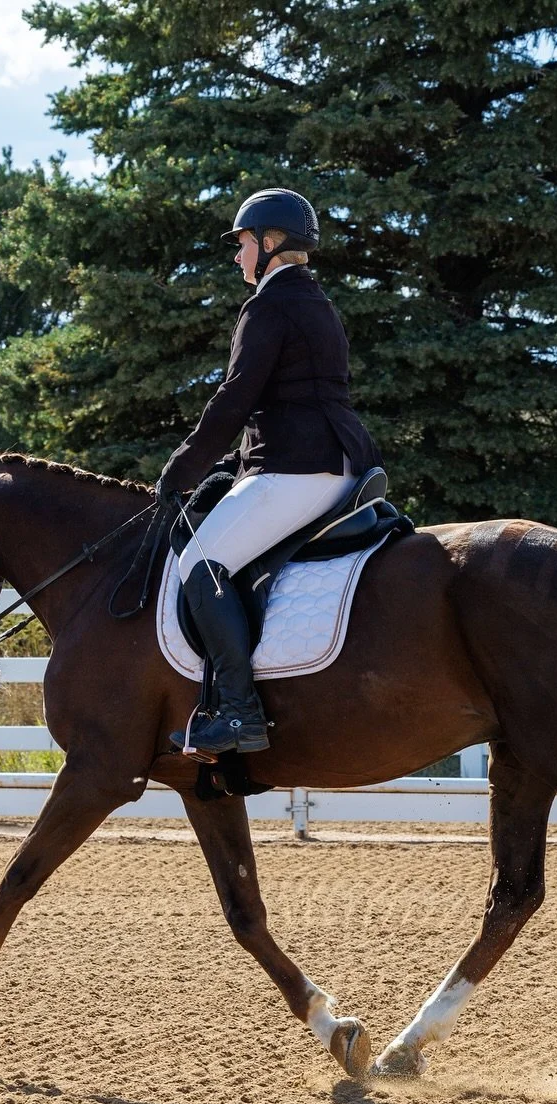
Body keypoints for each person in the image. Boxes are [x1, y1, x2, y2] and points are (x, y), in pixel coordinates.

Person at [155, 187, 383, 756]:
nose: (237, 256)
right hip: (331, 461)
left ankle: (237, 710)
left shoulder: (269, 303)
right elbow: (291, 401)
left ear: (270, 241)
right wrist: (234, 464)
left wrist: (182, 468)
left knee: (201, 562)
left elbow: (236, 398)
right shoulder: (315, 301)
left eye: (242, 243)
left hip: (299, 469)